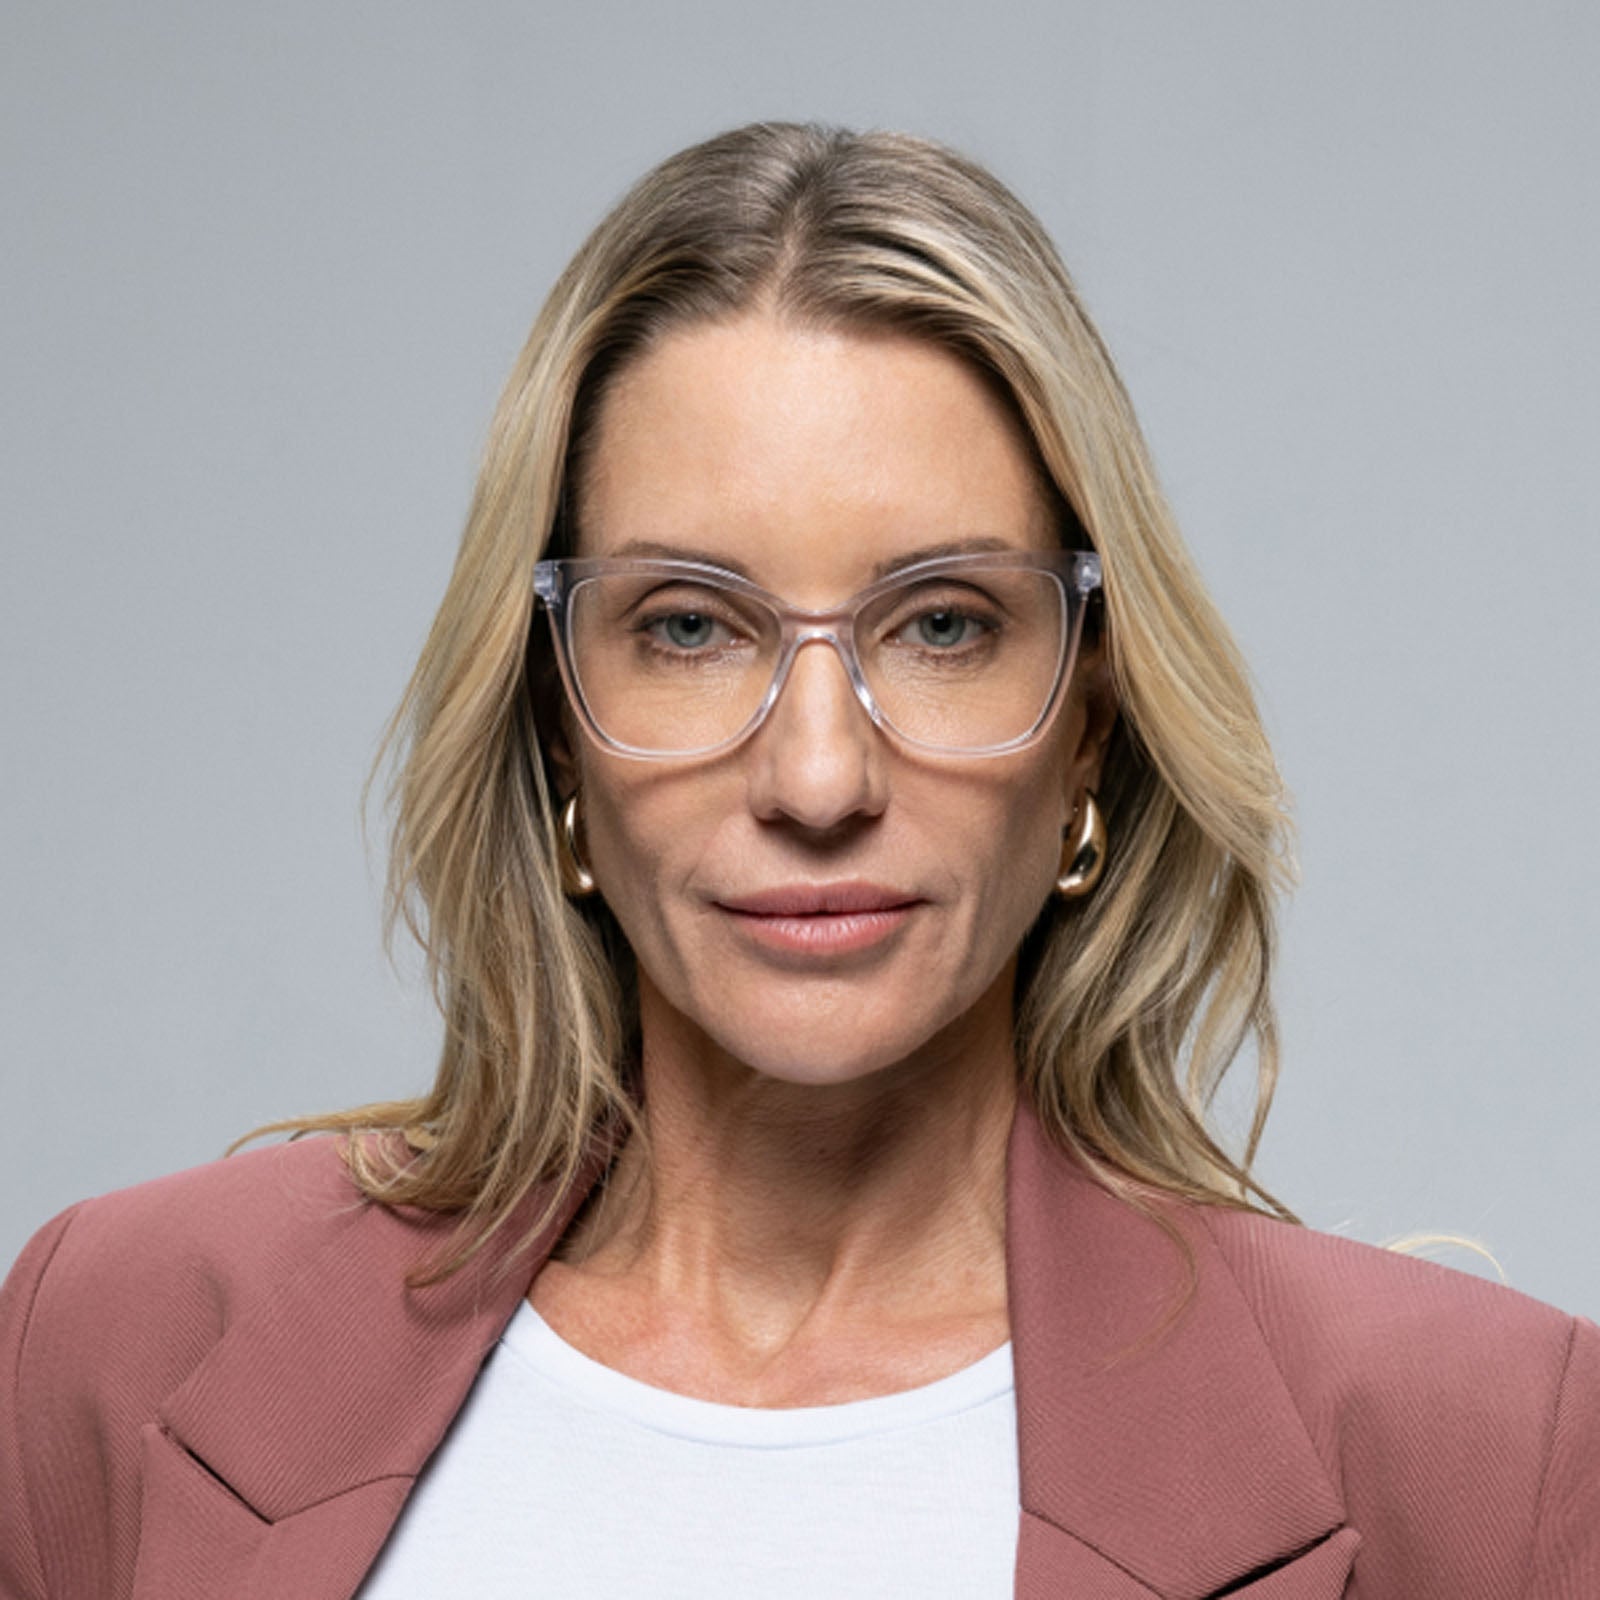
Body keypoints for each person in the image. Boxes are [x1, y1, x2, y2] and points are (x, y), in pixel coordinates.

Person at [1, 121, 1595, 1600]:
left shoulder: (1484, 1453)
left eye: (943, 625)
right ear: (556, 720)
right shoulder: (109, 1343)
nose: (818, 778)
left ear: (1090, 725)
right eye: (690, 627)